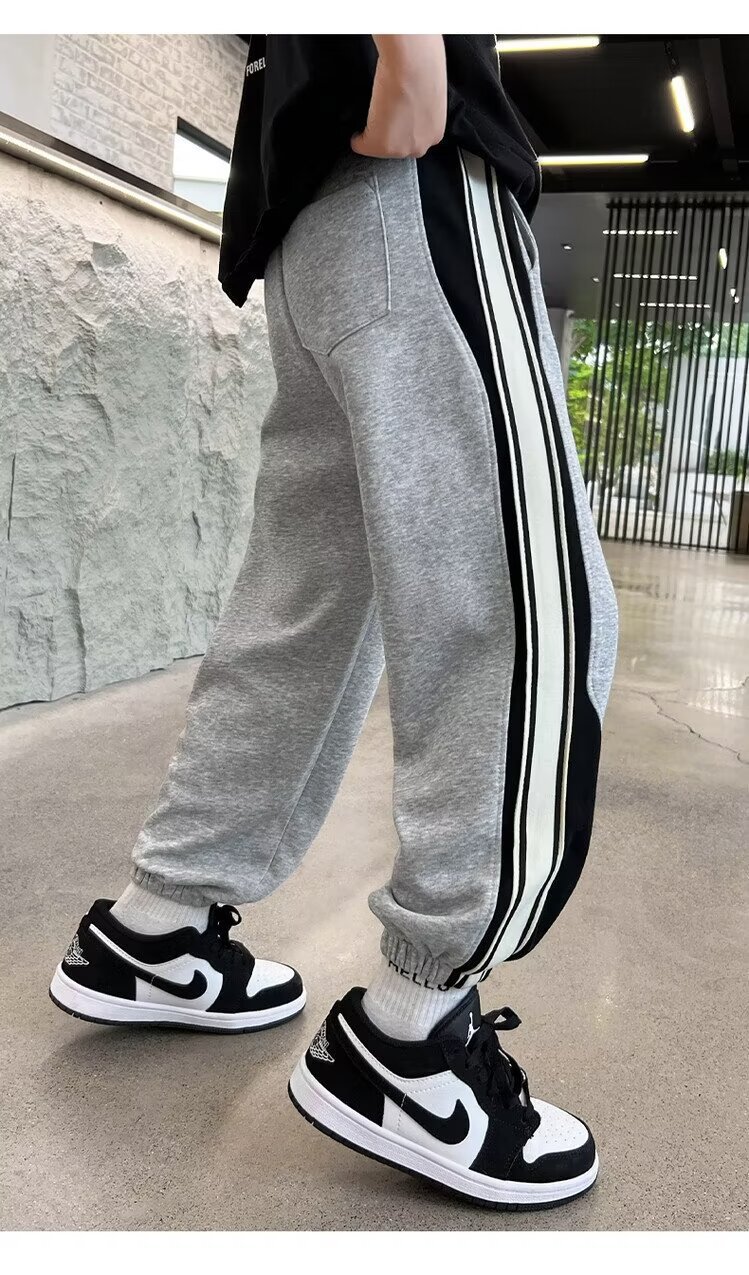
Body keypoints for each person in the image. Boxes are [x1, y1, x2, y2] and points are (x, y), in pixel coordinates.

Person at [49, 35, 618, 1210]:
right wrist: (407, 40)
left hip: (310, 212)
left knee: (307, 608)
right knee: (521, 606)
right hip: (414, 177)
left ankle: (159, 926)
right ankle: (413, 1038)